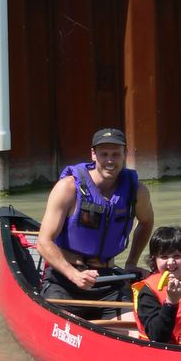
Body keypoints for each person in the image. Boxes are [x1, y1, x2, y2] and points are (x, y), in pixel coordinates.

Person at [36, 127, 154, 319]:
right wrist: (73, 274)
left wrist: (131, 263)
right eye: (104, 154)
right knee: (63, 325)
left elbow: (146, 222)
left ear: (125, 154)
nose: (110, 160)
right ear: (93, 154)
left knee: (136, 326)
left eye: (116, 154)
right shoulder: (68, 188)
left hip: (107, 280)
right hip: (64, 280)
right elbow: (43, 242)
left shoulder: (137, 192)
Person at [132, 226, 181, 345]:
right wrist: (171, 302)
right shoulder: (147, 292)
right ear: (154, 260)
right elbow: (157, 337)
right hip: (172, 350)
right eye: (164, 257)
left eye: (177, 256)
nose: (171, 262)